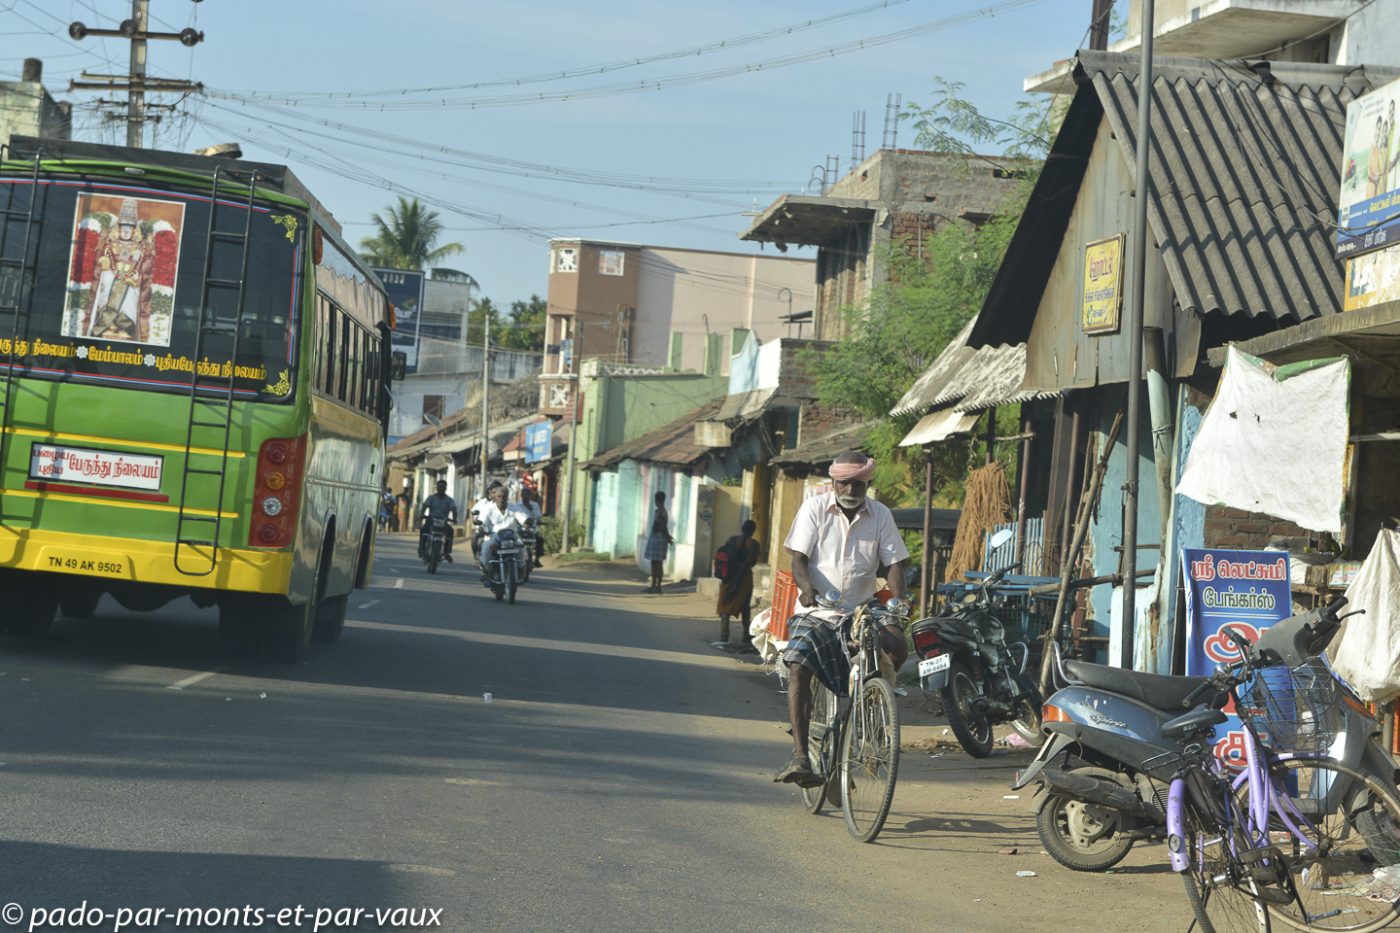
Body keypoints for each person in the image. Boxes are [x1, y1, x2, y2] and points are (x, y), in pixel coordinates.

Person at [773, 451, 909, 787]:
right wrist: (805, 589)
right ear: (834, 482)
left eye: (857, 483)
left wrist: (897, 598)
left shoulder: (880, 515)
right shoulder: (815, 508)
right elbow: (798, 559)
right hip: (817, 608)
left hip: (862, 607)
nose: (850, 488)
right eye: (844, 482)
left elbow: (894, 564)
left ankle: (868, 714)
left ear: (867, 483)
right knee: (799, 665)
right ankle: (800, 755)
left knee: (896, 646)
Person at [715, 519, 760, 649]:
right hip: (744, 578)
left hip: (728, 576)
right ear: (753, 531)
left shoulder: (732, 540)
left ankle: (724, 636)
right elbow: (752, 563)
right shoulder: (754, 545)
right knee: (745, 606)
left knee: (725, 605)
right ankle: (746, 636)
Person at [472, 482, 528, 583]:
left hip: (512, 537)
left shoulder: (513, 507)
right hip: (494, 537)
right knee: (485, 549)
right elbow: (482, 521)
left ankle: (520, 569)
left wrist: (526, 523)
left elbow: (521, 517)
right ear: (494, 497)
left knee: (521, 547)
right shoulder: (488, 508)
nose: (501, 498)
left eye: (504, 496)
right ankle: (485, 571)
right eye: (499, 496)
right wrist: (480, 526)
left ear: (507, 497)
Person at [418, 479, 457, 562]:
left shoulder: (449, 500)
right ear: (437, 488)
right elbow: (425, 506)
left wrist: (454, 519)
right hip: (431, 520)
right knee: (424, 530)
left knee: (450, 532)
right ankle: (421, 549)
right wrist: (422, 514)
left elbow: (454, 509)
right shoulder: (431, 498)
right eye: (439, 487)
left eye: (443, 487)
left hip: (443, 522)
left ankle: (447, 552)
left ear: (445, 488)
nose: (441, 489)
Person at [643, 490, 672, 594]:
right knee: (655, 562)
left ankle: (658, 586)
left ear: (657, 500)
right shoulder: (660, 511)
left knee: (657, 563)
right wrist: (668, 537)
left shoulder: (661, 512)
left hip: (658, 538)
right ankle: (654, 586)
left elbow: (662, 526)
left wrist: (668, 537)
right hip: (658, 537)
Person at [519, 486, 544, 568]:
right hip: (520, 529)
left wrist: (531, 509)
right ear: (521, 495)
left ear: (530, 496)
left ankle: (537, 559)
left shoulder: (535, 505)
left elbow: (538, 517)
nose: (525, 496)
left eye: (527, 495)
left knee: (540, 538)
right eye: (524, 495)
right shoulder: (516, 505)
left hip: (532, 529)